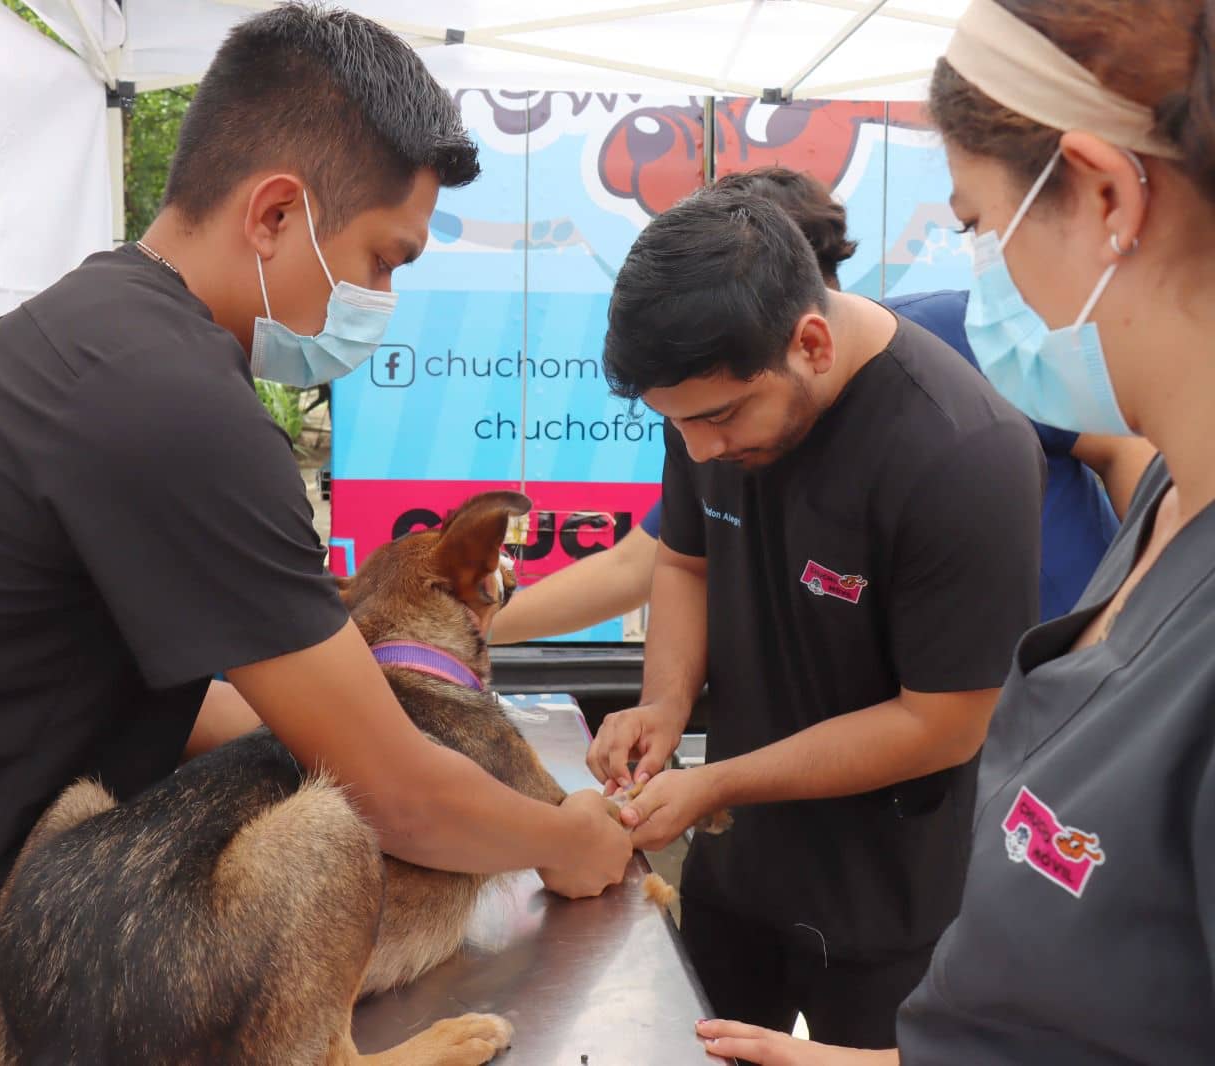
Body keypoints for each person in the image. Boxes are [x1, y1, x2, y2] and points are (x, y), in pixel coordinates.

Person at [0, 8, 631, 1066]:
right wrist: (559, 838)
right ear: (273, 214)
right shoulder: (175, 405)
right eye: (380, 261)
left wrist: (358, 726)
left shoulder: (91, 338)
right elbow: (387, 791)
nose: (381, 300)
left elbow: (168, 691)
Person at [693, 0, 1215, 1062]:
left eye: (977, 225)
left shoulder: (960, 445)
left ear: (1107, 194)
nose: (981, 281)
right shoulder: (1168, 496)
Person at [584, 181, 1047, 1048]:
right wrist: (666, 703)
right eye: (675, 426)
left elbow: (942, 722)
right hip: (736, 868)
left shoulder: (964, 453)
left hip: (893, 900)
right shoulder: (707, 395)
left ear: (813, 342)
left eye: (719, 419)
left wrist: (717, 781)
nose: (700, 450)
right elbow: (684, 562)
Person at [488, 167, 1155, 645]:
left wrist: (1131, 609)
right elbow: (649, 561)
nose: (703, 441)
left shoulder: (959, 340)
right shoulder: (740, 419)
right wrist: (468, 632)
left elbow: (1125, 445)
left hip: (1073, 666)